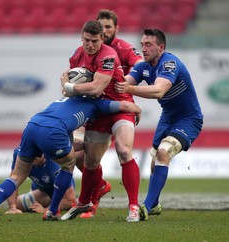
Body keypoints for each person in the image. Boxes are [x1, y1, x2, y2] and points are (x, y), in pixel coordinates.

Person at [0, 95, 141, 222]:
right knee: (68, 164)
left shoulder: (66, 97)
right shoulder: (97, 103)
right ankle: (52, 211)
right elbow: (125, 106)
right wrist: (138, 110)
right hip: (53, 130)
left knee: (16, 176)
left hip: (32, 125)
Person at [114, 28, 203, 221]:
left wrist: (129, 88)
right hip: (168, 117)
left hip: (188, 118)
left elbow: (159, 91)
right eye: (142, 45)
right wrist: (99, 80)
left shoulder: (170, 63)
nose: (143, 49)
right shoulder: (142, 66)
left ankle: (145, 207)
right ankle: (154, 205)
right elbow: (121, 85)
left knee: (163, 152)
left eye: (148, 45)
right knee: (156, 159)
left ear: (161, 47)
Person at [60, 20, 141, 222]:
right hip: (97, 111)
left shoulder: (108, 55)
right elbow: (70, 88)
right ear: (81, 36)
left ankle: (133, 206)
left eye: (94, 41)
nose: (90, 45)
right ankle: (84, 201)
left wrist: (69, 86)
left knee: (123, 150)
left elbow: (96, 88)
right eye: (87, 40)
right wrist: (68, 87)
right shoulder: (77, 55)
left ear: (102, 39)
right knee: (90, 161)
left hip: (121, 106)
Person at [5, 147, 75, 214]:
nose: (34, 156)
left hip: (60, 193)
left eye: (37, 153)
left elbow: (69, 199)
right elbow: (13, 181)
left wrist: (46, 210)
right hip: (42, 191)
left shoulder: (54, 163)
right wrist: (12, 207)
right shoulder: (20, 154)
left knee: (67, 202)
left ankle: (57, 204)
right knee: (17, 203)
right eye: (32, 152)